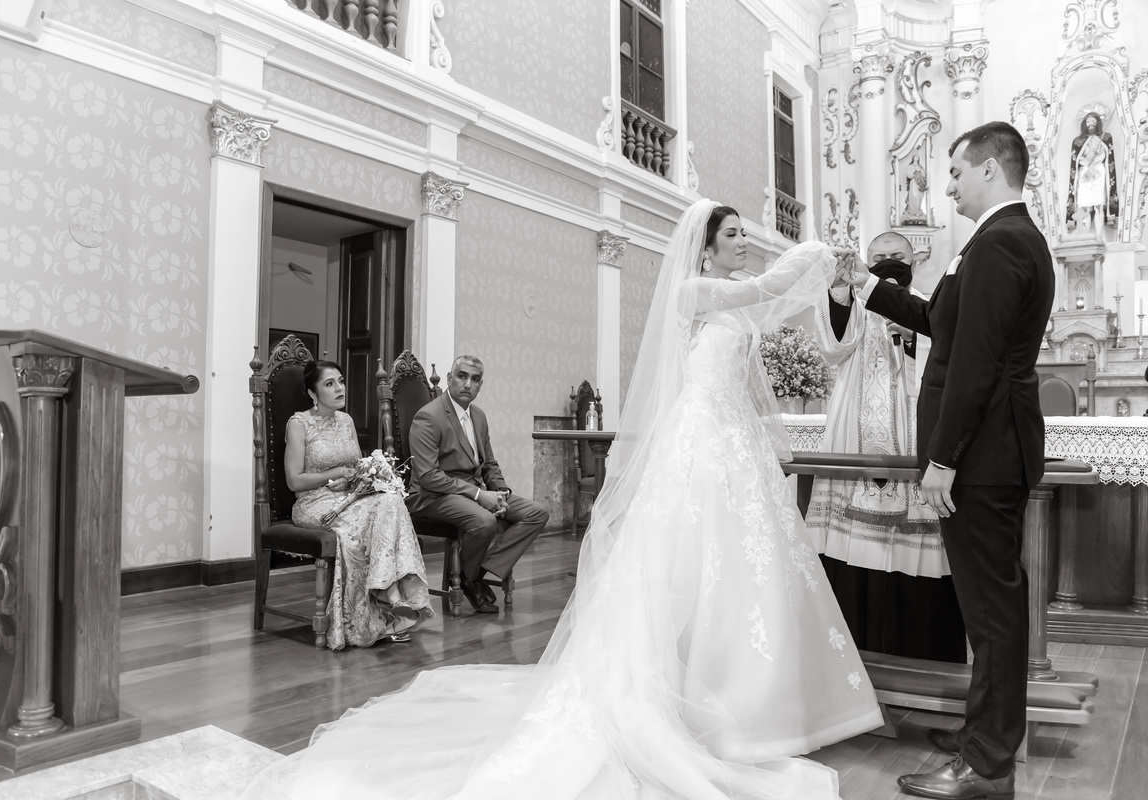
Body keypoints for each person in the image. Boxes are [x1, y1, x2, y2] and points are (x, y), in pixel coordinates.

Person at [243, 201, 882, 800]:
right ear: (706, 249)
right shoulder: (695, 291)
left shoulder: (737, 305)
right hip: (701, 443)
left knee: (742, 567)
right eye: (733, 234)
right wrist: (815, 251)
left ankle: (759, 700)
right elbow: (767, 286)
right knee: (692, 560)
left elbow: (785, 320)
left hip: (732, 443)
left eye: (745, 233)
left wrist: (836, 293)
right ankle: (685, 692)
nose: (744, 242)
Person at [848, 121, 1054, 799]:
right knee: (986, 608)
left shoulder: (1001, 243)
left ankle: (987, 765)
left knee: (992, 611)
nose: (948, 186)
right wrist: (867, 286)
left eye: (958, 172)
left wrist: (943, 458)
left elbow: (975, 362)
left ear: (991, 168)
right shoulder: (997, 240)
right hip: (988, 449)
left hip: (983, 454)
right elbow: (943, 324)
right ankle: (982, 736)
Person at [807, 231, 966, 663]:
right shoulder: (853, 303)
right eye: (878, 257)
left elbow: (952, 357)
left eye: (897, 256)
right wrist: (839, 291)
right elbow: (832, 348)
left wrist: (915, 337)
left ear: (914, 262)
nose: (888, 262)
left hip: (917, 425)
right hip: (854, 432)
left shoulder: (929, 304)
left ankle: (923, 655)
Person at [284, 360, 434, 648]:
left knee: (390, 500)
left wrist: (354, 479)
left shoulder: (346, 421)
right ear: (313, 393)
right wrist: (336, 473)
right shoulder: (299, 424)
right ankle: (387, 601)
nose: (339, 388)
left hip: (348, 497)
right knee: (369, 521)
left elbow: (355, 467)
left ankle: (388, 595)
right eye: (329, 384)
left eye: (341, 381)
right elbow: (294, 481)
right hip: (314, 503)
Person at [405, 354, 549, 613]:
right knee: (484, 521)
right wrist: (479, 496)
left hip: (471, 492)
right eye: (462, 377)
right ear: (449, 378)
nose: (468, 384)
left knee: (537, 513)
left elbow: (489, 463)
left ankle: (474, 572)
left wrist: (500, 491)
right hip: (431, 496)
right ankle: (472, 578)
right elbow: (428, 476)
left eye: (475, 379)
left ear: (481, 384)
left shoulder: (479, 417)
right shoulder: (428, 416)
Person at [1067, 112, 1118, 234]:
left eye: (1093, 121)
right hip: (1085, 173)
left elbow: (1107, 155)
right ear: (1084, 124)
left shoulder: (1106, 137)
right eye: (1088, 121)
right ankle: (1086, 237)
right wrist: (1087, 165)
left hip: (1099, 172)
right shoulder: (1077, 141)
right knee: (1085, 208)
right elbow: (1076, 158)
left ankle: (1099, 237)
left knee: (1099, 206)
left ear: (1097, 123)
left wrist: (1095, 163)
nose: (1091, 124)